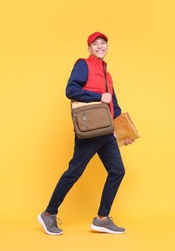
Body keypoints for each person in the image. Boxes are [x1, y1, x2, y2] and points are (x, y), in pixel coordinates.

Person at [37, 32, 133, 236]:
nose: (100, 46)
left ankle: (102, 219)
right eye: (95, 44)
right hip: (89, 130)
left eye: (103, 43)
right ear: (89, 48)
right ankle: (49, 213)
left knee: (117, 171)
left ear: (107, 47)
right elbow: (70, 90)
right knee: (74, 172)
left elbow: (113, 105)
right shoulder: (83, 64)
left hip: (106, 131)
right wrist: (99, 96)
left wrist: (124, 132)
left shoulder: (107, 74)